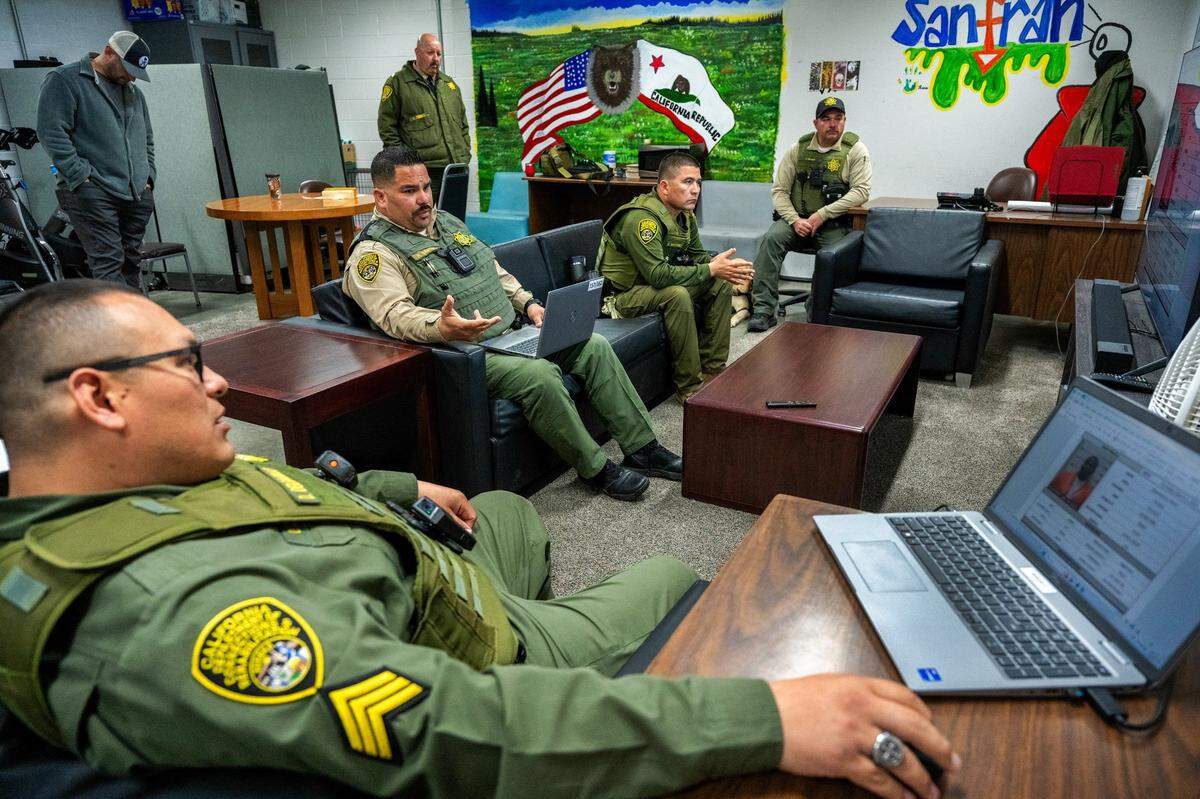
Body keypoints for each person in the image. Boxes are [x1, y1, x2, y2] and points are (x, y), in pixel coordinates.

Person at [0, 279, 960, 799]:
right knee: (670, 565)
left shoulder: (133, 487)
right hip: (472, 645)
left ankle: (545, 598)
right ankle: (570, 644)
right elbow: (446, 727)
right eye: (189, 363)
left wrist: (394, 483)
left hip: (414, 561)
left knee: (505, 511)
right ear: (98, 394)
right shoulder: (174, 617)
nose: (217, 387)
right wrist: (765, 719)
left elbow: (276, 484)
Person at [343, 147, 680, 501]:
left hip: (509, 335)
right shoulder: (374, 255)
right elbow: (395, 316)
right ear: (380, 198)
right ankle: (596, 468)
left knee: (592, 345)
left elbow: (493, 271)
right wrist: (443, 326)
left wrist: (530, 304)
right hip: (462, 355)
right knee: (541, 376)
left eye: (426, 187)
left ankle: (643, 447)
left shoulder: (446, 222)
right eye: (409, 191)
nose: (424, 198)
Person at [597, 153, 754, 403]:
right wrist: (710, 269)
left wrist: (721, 265)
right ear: (664, 187)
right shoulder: (642, 220)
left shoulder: (683, 215)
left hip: (651, 287)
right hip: (622, 297)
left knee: (721, 282)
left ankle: (712, 369)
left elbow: (697, 256)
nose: (695, 190)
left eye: (698, 183)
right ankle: (689, 388)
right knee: (676, 294)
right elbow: (658, 276)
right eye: (688, 182)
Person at [36, 31, 156, 288]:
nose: (131, 76)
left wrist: (148, 178)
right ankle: (120, 328)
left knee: (131, 262)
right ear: (109, 52)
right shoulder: (65, 81)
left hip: (134, 194)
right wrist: (81, 177)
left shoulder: (133, 93)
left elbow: (146, 138)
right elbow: (51, 133)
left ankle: (139, 325)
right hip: (93, 192)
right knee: (108, 264)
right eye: (127, 68)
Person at [749, 96, 872, 331]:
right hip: (797, 221)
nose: (833, 124)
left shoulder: (855, 150)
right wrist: (795, 220)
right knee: (770, 240)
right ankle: (763, 310)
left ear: (845, 121)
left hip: (833, 224)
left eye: (838, 118)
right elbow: (779, 191)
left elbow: (861, 192)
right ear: (816, 122)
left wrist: (822, 215)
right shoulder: (798, 150)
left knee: (834, 255)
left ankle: (816, 309)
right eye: (826, 119)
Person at [377, 33, 471, 202]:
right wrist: (406, 164)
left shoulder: (449, 85)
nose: (436, 59)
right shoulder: (398, 83)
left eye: (439, 54)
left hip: (456, 169)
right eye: (430, 53)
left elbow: (463, 125)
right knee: (424, 223)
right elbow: (387, 128)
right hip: (422, 173)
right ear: (417, 52)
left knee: (453, 220)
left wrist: (465, 154)